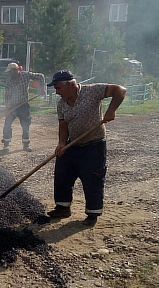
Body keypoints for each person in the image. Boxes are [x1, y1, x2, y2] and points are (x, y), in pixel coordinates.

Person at [47, 70, 126, 226]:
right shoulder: (61, 103)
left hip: (93, 146)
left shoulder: (92, 91)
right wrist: (62, 143)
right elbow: (63, 125)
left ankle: (92, 213)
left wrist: (111, 110)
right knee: (62, 173)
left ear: (69, 84)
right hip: (72, 144)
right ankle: (62, 207)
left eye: (58, 88)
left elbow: (120, 90)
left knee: (92, 179)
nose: (56, 92)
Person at [2, 62, 45, 152]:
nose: (9, 74)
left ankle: (26, 145)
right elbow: (7, 95)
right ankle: (6, 145)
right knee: (7, 124)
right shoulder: (8, 81)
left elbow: (41, 76)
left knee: (25, 125)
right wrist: (7, 107)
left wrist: (42, 88)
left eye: (10, 72)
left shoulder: (25, 75)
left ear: (15, 70)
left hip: (23, 105)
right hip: (12, 106)